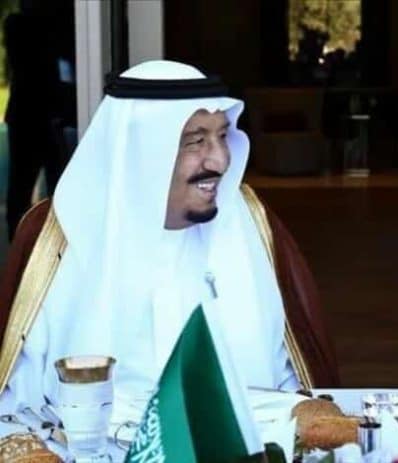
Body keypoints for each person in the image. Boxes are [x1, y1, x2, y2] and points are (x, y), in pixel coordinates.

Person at [0, 61, 339, 421]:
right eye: (196, 141)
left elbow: (292, 384)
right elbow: (17, 405)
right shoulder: (57, 237)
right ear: (140, 152)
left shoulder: (250, 223)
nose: (221, 161)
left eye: (223, 136)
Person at [3, 0, 76, 240]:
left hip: (39, 116)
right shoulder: (21, 26)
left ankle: (40, 247)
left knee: (50, 189)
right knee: (24, 190)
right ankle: (23, 249)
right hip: (35, 117)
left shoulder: (25, 24)